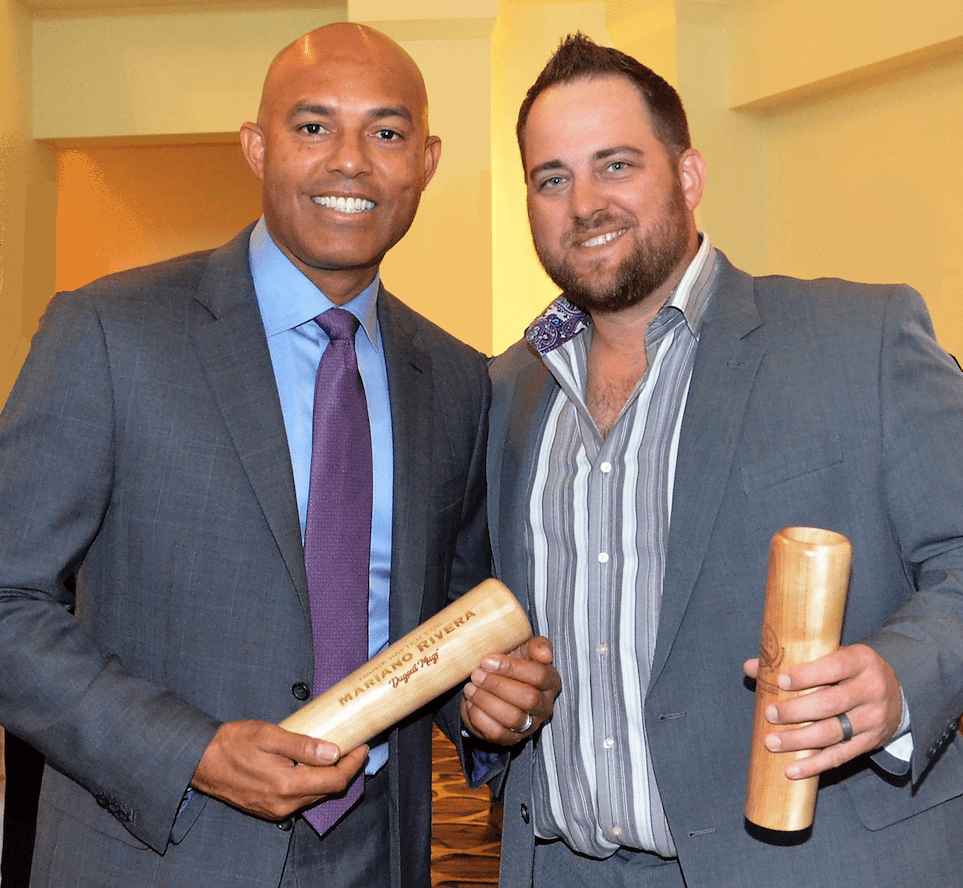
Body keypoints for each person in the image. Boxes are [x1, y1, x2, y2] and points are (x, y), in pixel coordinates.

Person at [0, 22, 557, 888]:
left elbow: (436, 624)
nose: (350, 161)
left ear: (426, 160)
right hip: (161, 850)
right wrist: (193, 753)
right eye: (311, 127)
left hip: (383, 853)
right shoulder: (110, 333)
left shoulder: (454, 380)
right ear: (257, 148)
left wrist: (490, 705)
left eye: (385, 131)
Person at [482, 33, 963, 888]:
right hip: (559, 867)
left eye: (616, 164)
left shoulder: (860, 341)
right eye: (551, 178)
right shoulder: (506, 390)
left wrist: (900, 679)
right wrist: (481, 702)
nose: (583, 203)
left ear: (688, 176)